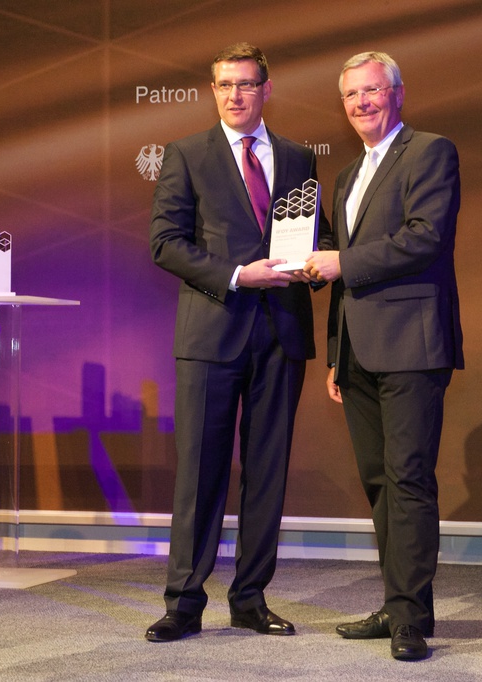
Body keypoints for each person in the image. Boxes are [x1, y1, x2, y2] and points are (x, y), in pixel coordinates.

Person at [146, 42, 331, 642]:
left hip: (281, 333)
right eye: (225, 84)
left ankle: (250, 599)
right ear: (213, 90)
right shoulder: (186, 154)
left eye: (246, 84)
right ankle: (183, 603)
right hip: (211, 334)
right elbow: (165, 243)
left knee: (267, 473)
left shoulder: (298, 157)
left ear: (266, 89)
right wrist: (235, 275)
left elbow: (318, 235)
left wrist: (316, 265)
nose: (235, 95)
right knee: (200, 473)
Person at [304, 51, 464, 662]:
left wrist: (341, 261)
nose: (361, 103)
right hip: (359, 352)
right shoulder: (347, 175)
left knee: (409, 479)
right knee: (378, 484)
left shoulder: (430, 151)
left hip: (413, 344)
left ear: (397, 93)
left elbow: (425, 237)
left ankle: (411, 620)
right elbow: (339, 273)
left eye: (371, 91)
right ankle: (398, 606)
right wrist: (335, 354)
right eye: (350, 95)